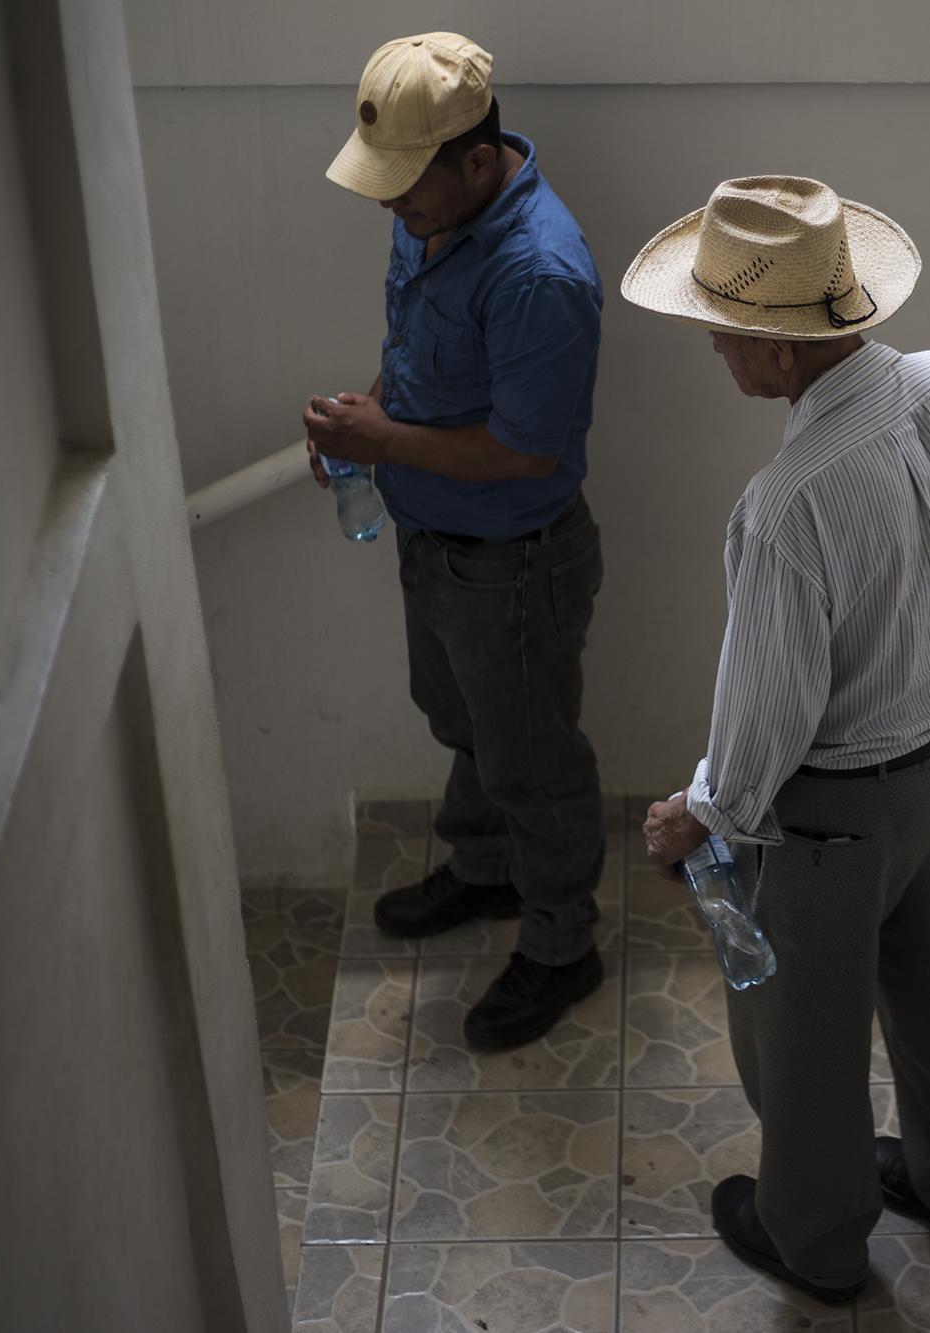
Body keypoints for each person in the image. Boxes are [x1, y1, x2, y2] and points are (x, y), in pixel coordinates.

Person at [623, 176, 930, 1303]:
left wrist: (697, 815)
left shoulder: (785, 503)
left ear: (782, 355)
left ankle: (820, 1239)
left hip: (832, 817)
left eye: (722, 329)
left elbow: (764, 722)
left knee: (799, 1040)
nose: (711, 346)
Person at [302, 33, 607, 1052]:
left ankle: (563, 942)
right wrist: (365, 427)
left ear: (476, 160)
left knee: (531, 761)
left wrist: (382, 440)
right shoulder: (432, 211)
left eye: (407, 192)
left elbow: (526, 454)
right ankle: (485, 872)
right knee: (461, 723)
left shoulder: (537, 274)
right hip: (437, 539)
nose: (393, 211)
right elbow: (412, 351)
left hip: (512, 563)